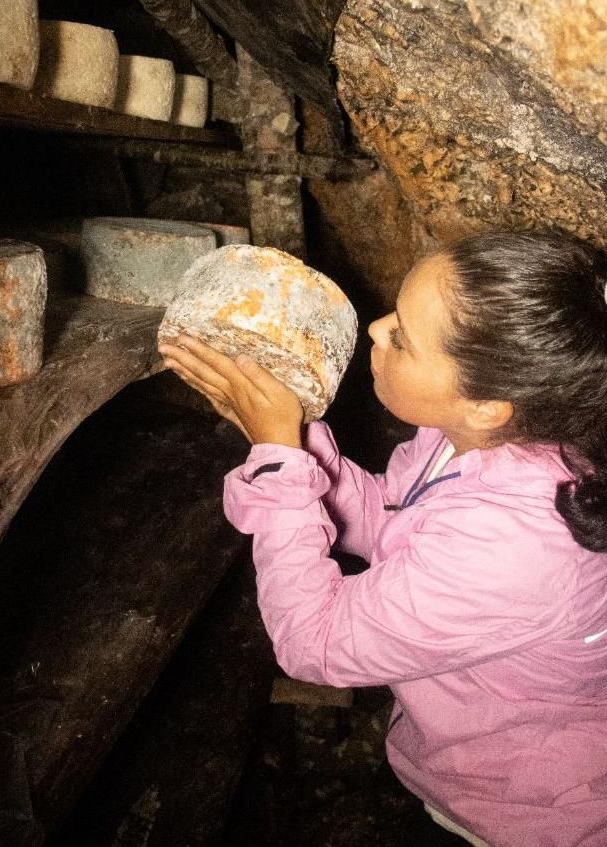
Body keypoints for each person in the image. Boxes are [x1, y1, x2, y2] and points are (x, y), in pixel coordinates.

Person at [158, 231, 607, 847]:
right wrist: (286, 440)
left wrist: (279, 464)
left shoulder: (514, 546)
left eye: (402, 338)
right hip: (469, 768)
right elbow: (390, 517)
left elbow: (315, 644)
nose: (375, 329)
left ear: (487, 404)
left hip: (531, 814)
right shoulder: (484, 440)